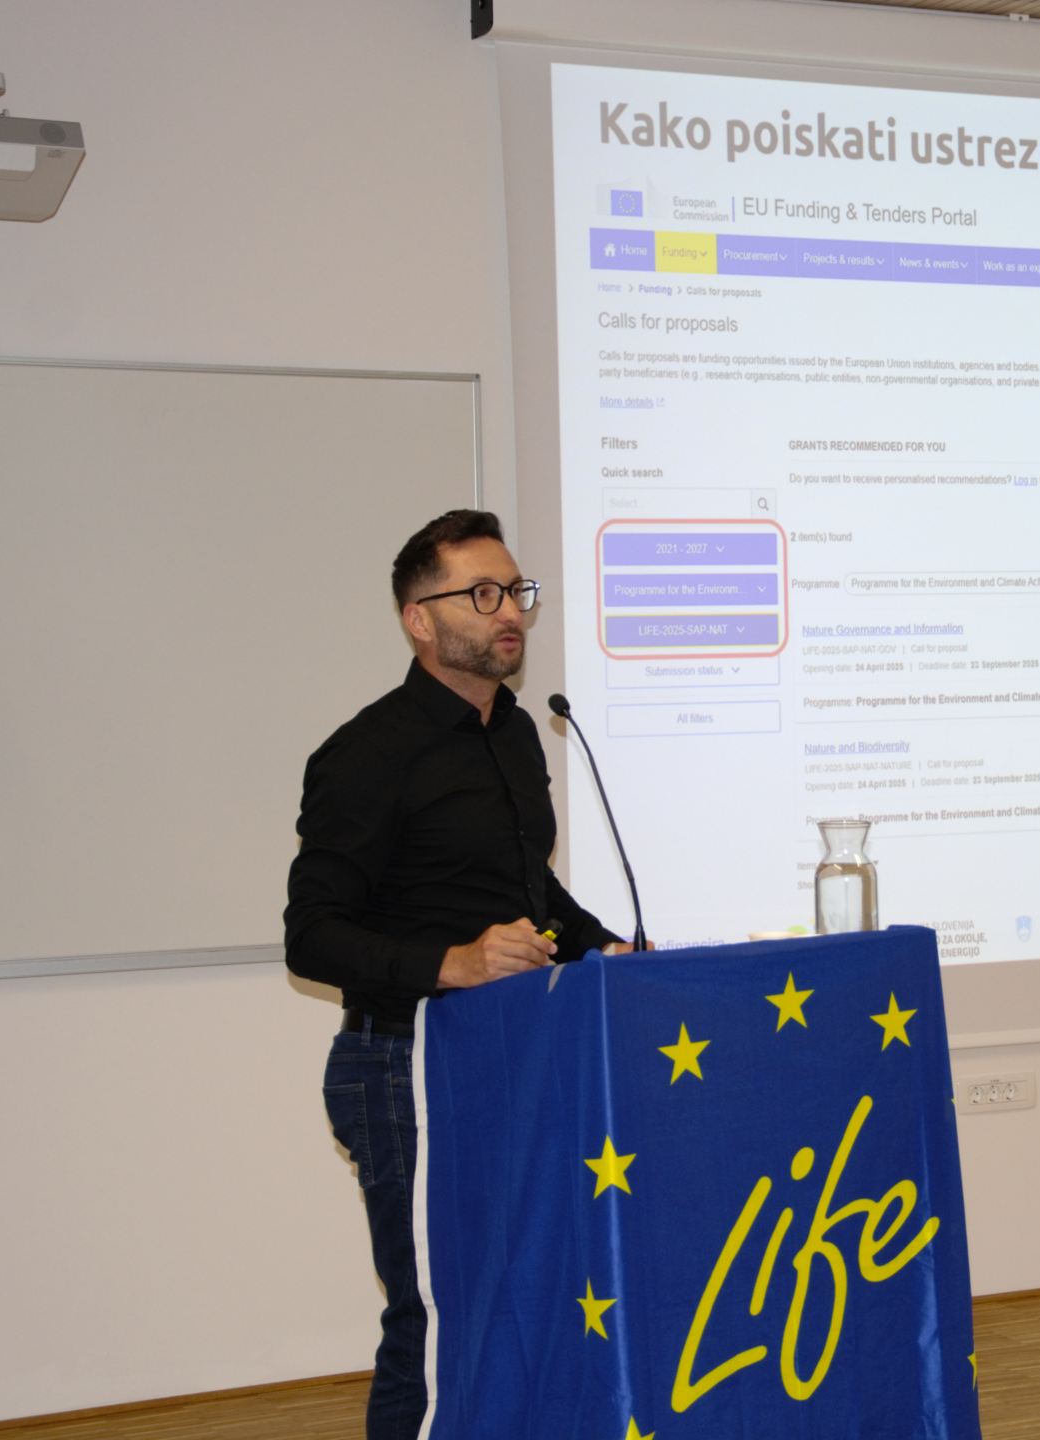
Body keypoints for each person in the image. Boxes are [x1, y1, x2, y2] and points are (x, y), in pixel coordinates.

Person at [284, 509, 626, 1440]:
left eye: (516, 591)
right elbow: (311, 935)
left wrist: (608, 951)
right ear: (419, 620)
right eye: (482, 594)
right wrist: (453, 963)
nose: (510, 611)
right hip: (402, 1068)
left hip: (513, 1058)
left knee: (529, 1302)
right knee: (433, 1320)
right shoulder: (368, 754)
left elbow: (532, 899)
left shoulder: (515, 734)